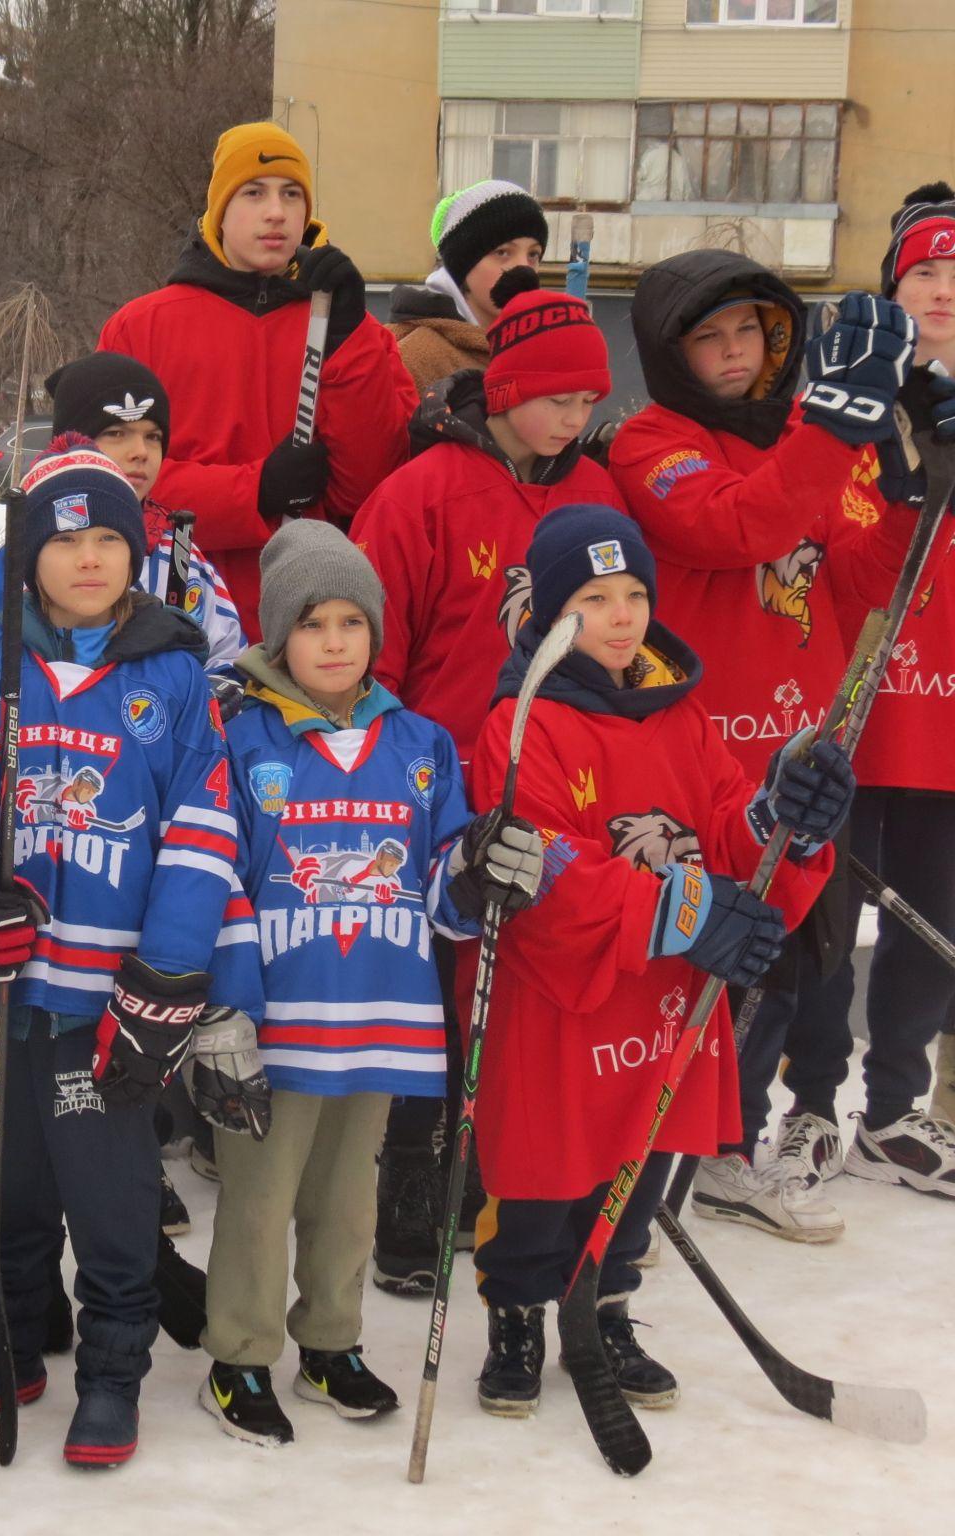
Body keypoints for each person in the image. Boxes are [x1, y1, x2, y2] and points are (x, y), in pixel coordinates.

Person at [467, 505, 846, 1416]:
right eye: (595, 598)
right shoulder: (523, 726)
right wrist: (691, 912)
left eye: (634, 593)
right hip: (569, 996)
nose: (623, 614)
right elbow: (549, 872)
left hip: (663, 997)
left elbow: (727, 828)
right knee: (546, 1166)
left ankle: (605, 1302)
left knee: (638, 1155)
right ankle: (519, 1307)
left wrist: (786, 826)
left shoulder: (681, 710)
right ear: (553, 612)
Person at [0, 443, 250, 1470]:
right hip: (3, 987)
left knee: (109, 1206)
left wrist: (167, 970)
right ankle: (6, 1345)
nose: (89, 556)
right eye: (64, 538)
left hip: (106, 1002)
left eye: (109, 537)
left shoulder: (170, 672)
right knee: (3, 1189)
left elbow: (202, 825)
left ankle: (111, 1374)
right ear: (28, 555)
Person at [200, 519, 543, 1444]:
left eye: (353, 621)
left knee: (348, 1201)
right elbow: (216, 874)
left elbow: (441, 884)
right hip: (276, 1017)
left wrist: (476, 874)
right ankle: (239, 1355)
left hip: (380, 1014)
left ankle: (330, 1341)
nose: (336, 641)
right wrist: (223, 1003)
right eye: (314, 624)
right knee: (262, 1198)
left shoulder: (421, 742)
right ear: (279, 636)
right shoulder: (244, 739)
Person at [608, 257, 926, 1241]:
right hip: (701, 749)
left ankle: (731, 1146)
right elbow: (736, 526)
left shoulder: (802, 437)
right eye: (709, 338)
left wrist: (914, 481)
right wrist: (833, 429)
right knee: (695, 967)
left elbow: (862, 571)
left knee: (790, 961)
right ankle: (645, 1159)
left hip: (798, 741)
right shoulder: (650, 441)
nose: (735, 352)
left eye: (749, 332)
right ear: (669, 351)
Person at [350, 265, 620, 1294]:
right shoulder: (421, 493)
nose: (575, 416)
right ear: (504, 388)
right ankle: (408, 1212)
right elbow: (369, 657)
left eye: (589, 400)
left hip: (555, 793)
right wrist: (395, 778)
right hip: (436, 797)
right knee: (430, 1010)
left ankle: (492, 1191)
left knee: (507, 1013)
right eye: (559, 396)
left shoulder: (595, 494)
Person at [98, 121, 418, 639]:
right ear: (220, 210)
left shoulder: (354, 333)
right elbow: (111, 480)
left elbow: (372, 489)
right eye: (254, 193)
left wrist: (351, 340)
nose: (276, 212)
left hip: (309, 624)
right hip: (174, 610)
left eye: (292, 195)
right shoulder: (142, 327)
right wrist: (254, 490)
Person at [811, 182, 955, 1196]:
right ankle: (808, 1106)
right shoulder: (854, 401)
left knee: (931, 919)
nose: (941, 292)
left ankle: (894, 1108)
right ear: (890, 287)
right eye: (921, 273)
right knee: (825, 917)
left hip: (945, 718)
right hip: (855, 705)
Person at [0, 352, 245, 672]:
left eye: (153, 436)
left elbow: (229, 663)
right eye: (117, 433)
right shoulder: (18, 564)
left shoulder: (181, 559)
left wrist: (205, 697)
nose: (141, 452)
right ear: (73, 442)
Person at [386, 180, 549, 391]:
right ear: (463, 264)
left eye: (533, 254)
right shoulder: (412, 359)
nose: (523, 268)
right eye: (503, 252)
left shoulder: (536, 353)